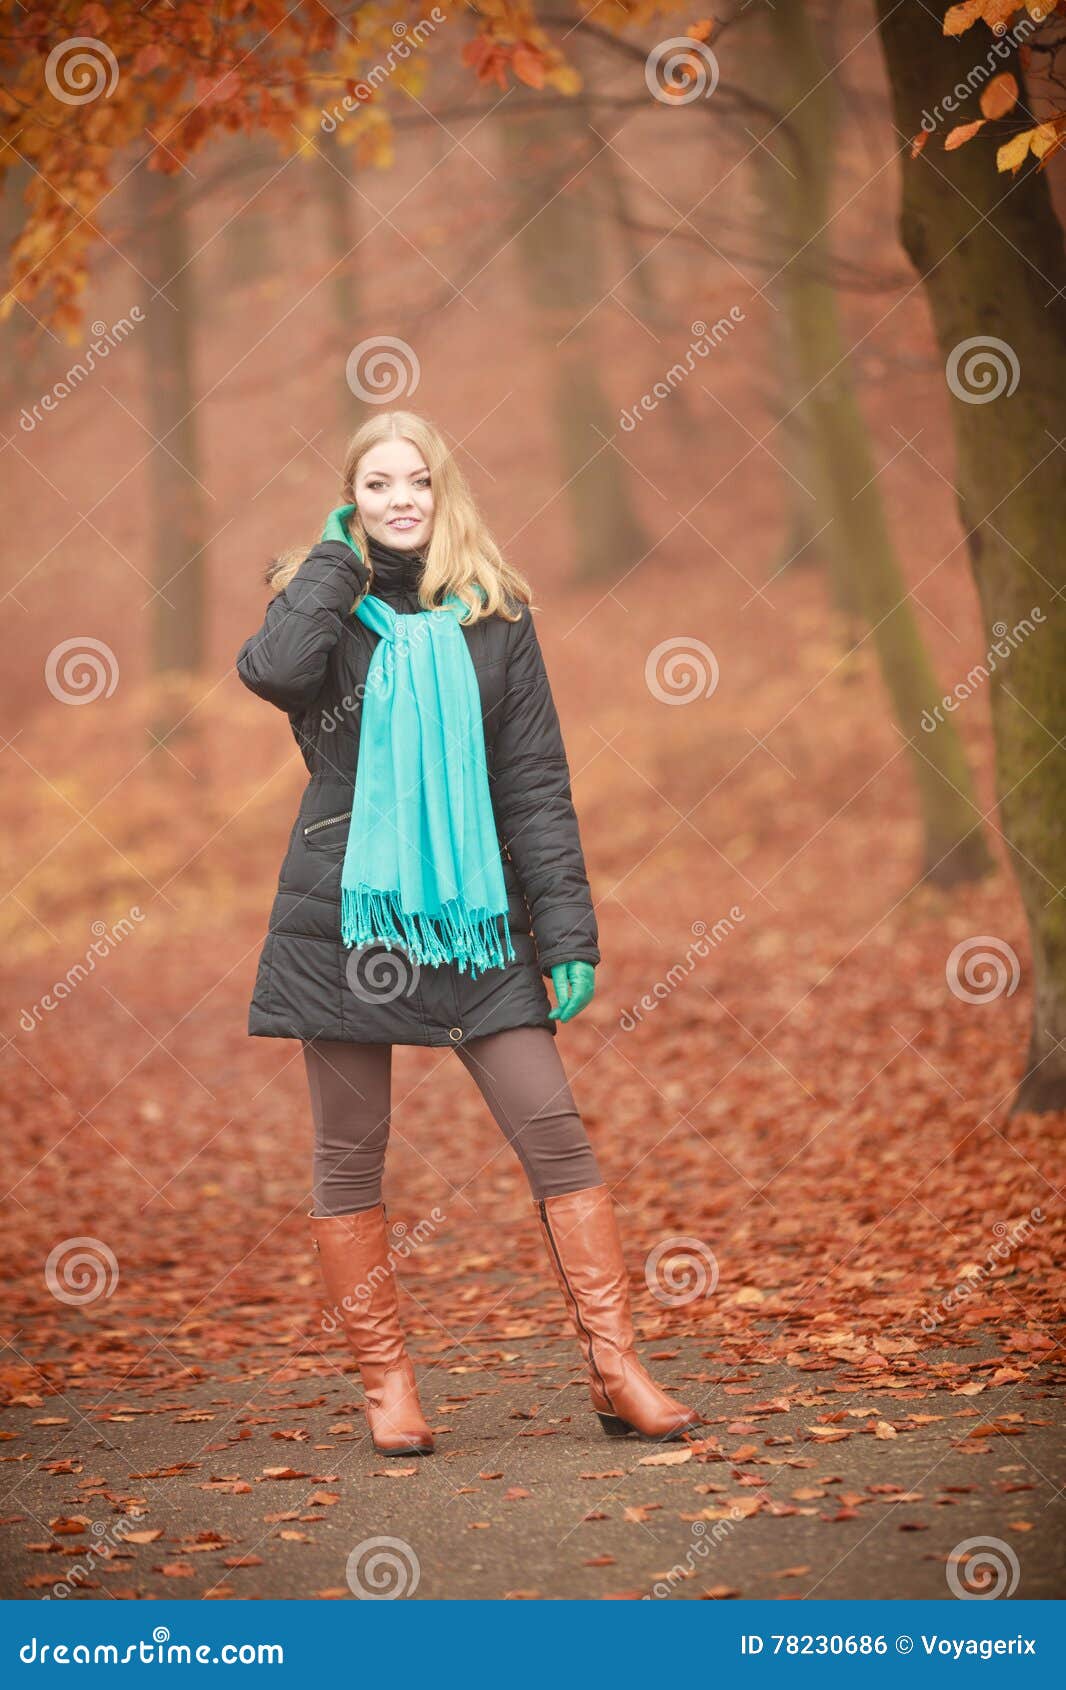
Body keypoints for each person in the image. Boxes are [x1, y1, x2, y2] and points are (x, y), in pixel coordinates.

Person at [235, 410, 700, 1458]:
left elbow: (534, 784)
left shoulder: (497, 615)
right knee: (350, 1155)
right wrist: (333, 563)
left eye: (420, 482)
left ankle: (614, 1365)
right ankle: (387, 1385)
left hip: (482, 915)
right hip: (350, 915)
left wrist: (567, 929)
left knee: (555, 1130)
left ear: (446, 495)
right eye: (379, 483)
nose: (402, 498)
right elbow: (270, 670)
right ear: (352, 499)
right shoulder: (324, 606)